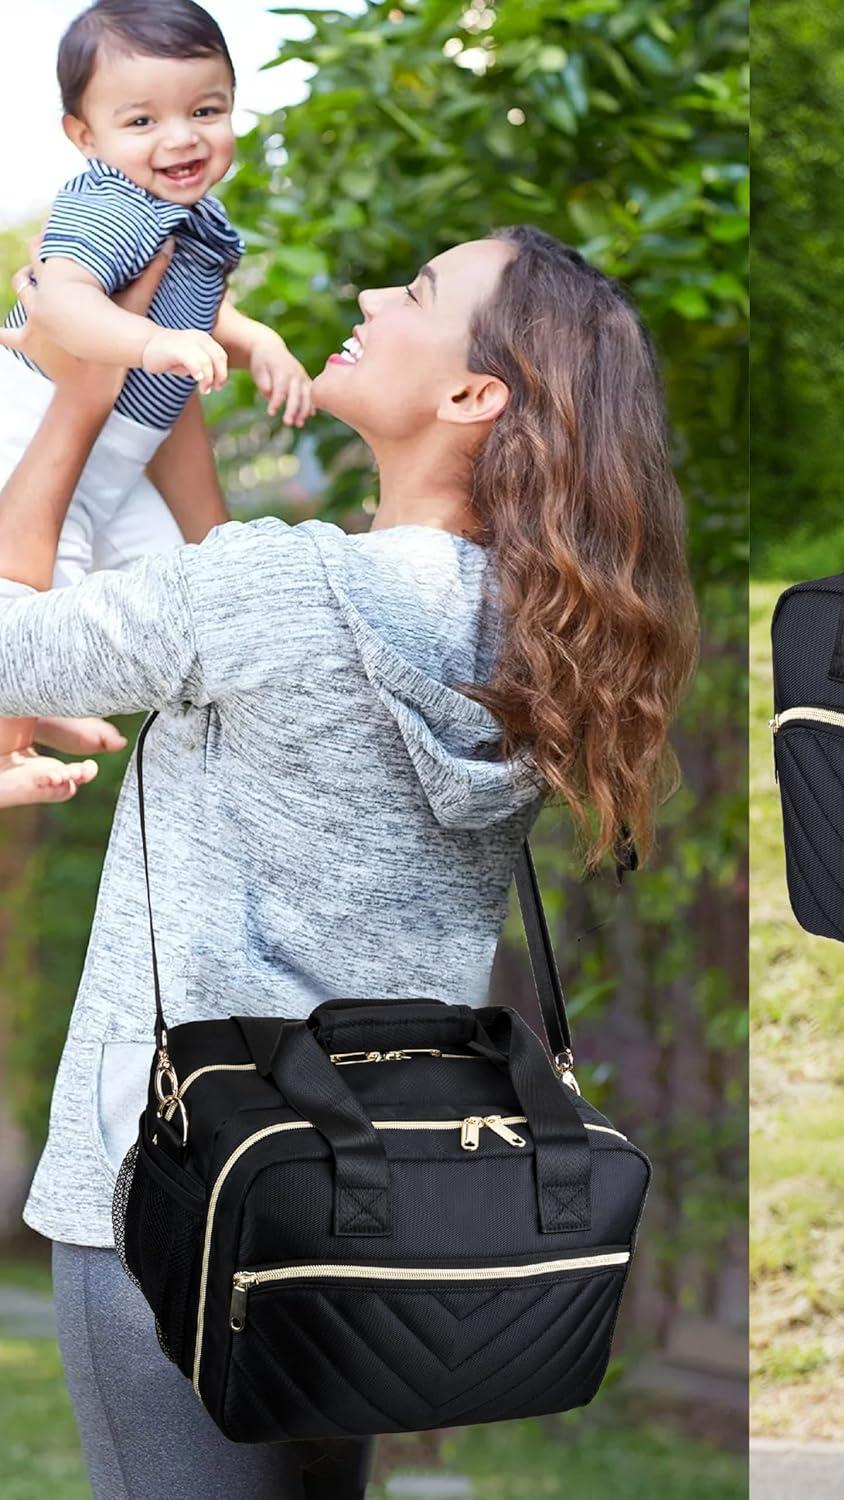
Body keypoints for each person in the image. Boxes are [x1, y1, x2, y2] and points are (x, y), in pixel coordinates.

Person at [0, 226, 697, 1497]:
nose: (376, 295)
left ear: (473, 395)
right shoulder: (547, 640)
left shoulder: (274, 591)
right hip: (379, 1198)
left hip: (174, 1189)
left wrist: (78, 396)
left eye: (420, 290)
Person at [0, 0, 311, 807]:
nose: (181, 138)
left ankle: (38, 708)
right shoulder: (110, 204)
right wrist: (146, 346)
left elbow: (195, 299)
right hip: (36, 417)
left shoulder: (188, 212)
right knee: (31, 596)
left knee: (162, 581)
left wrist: (258, 340)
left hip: (124, 444)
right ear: (85, 136)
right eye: (142, 119)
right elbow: (62, 301)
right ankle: (4, 749)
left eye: (205, 110)